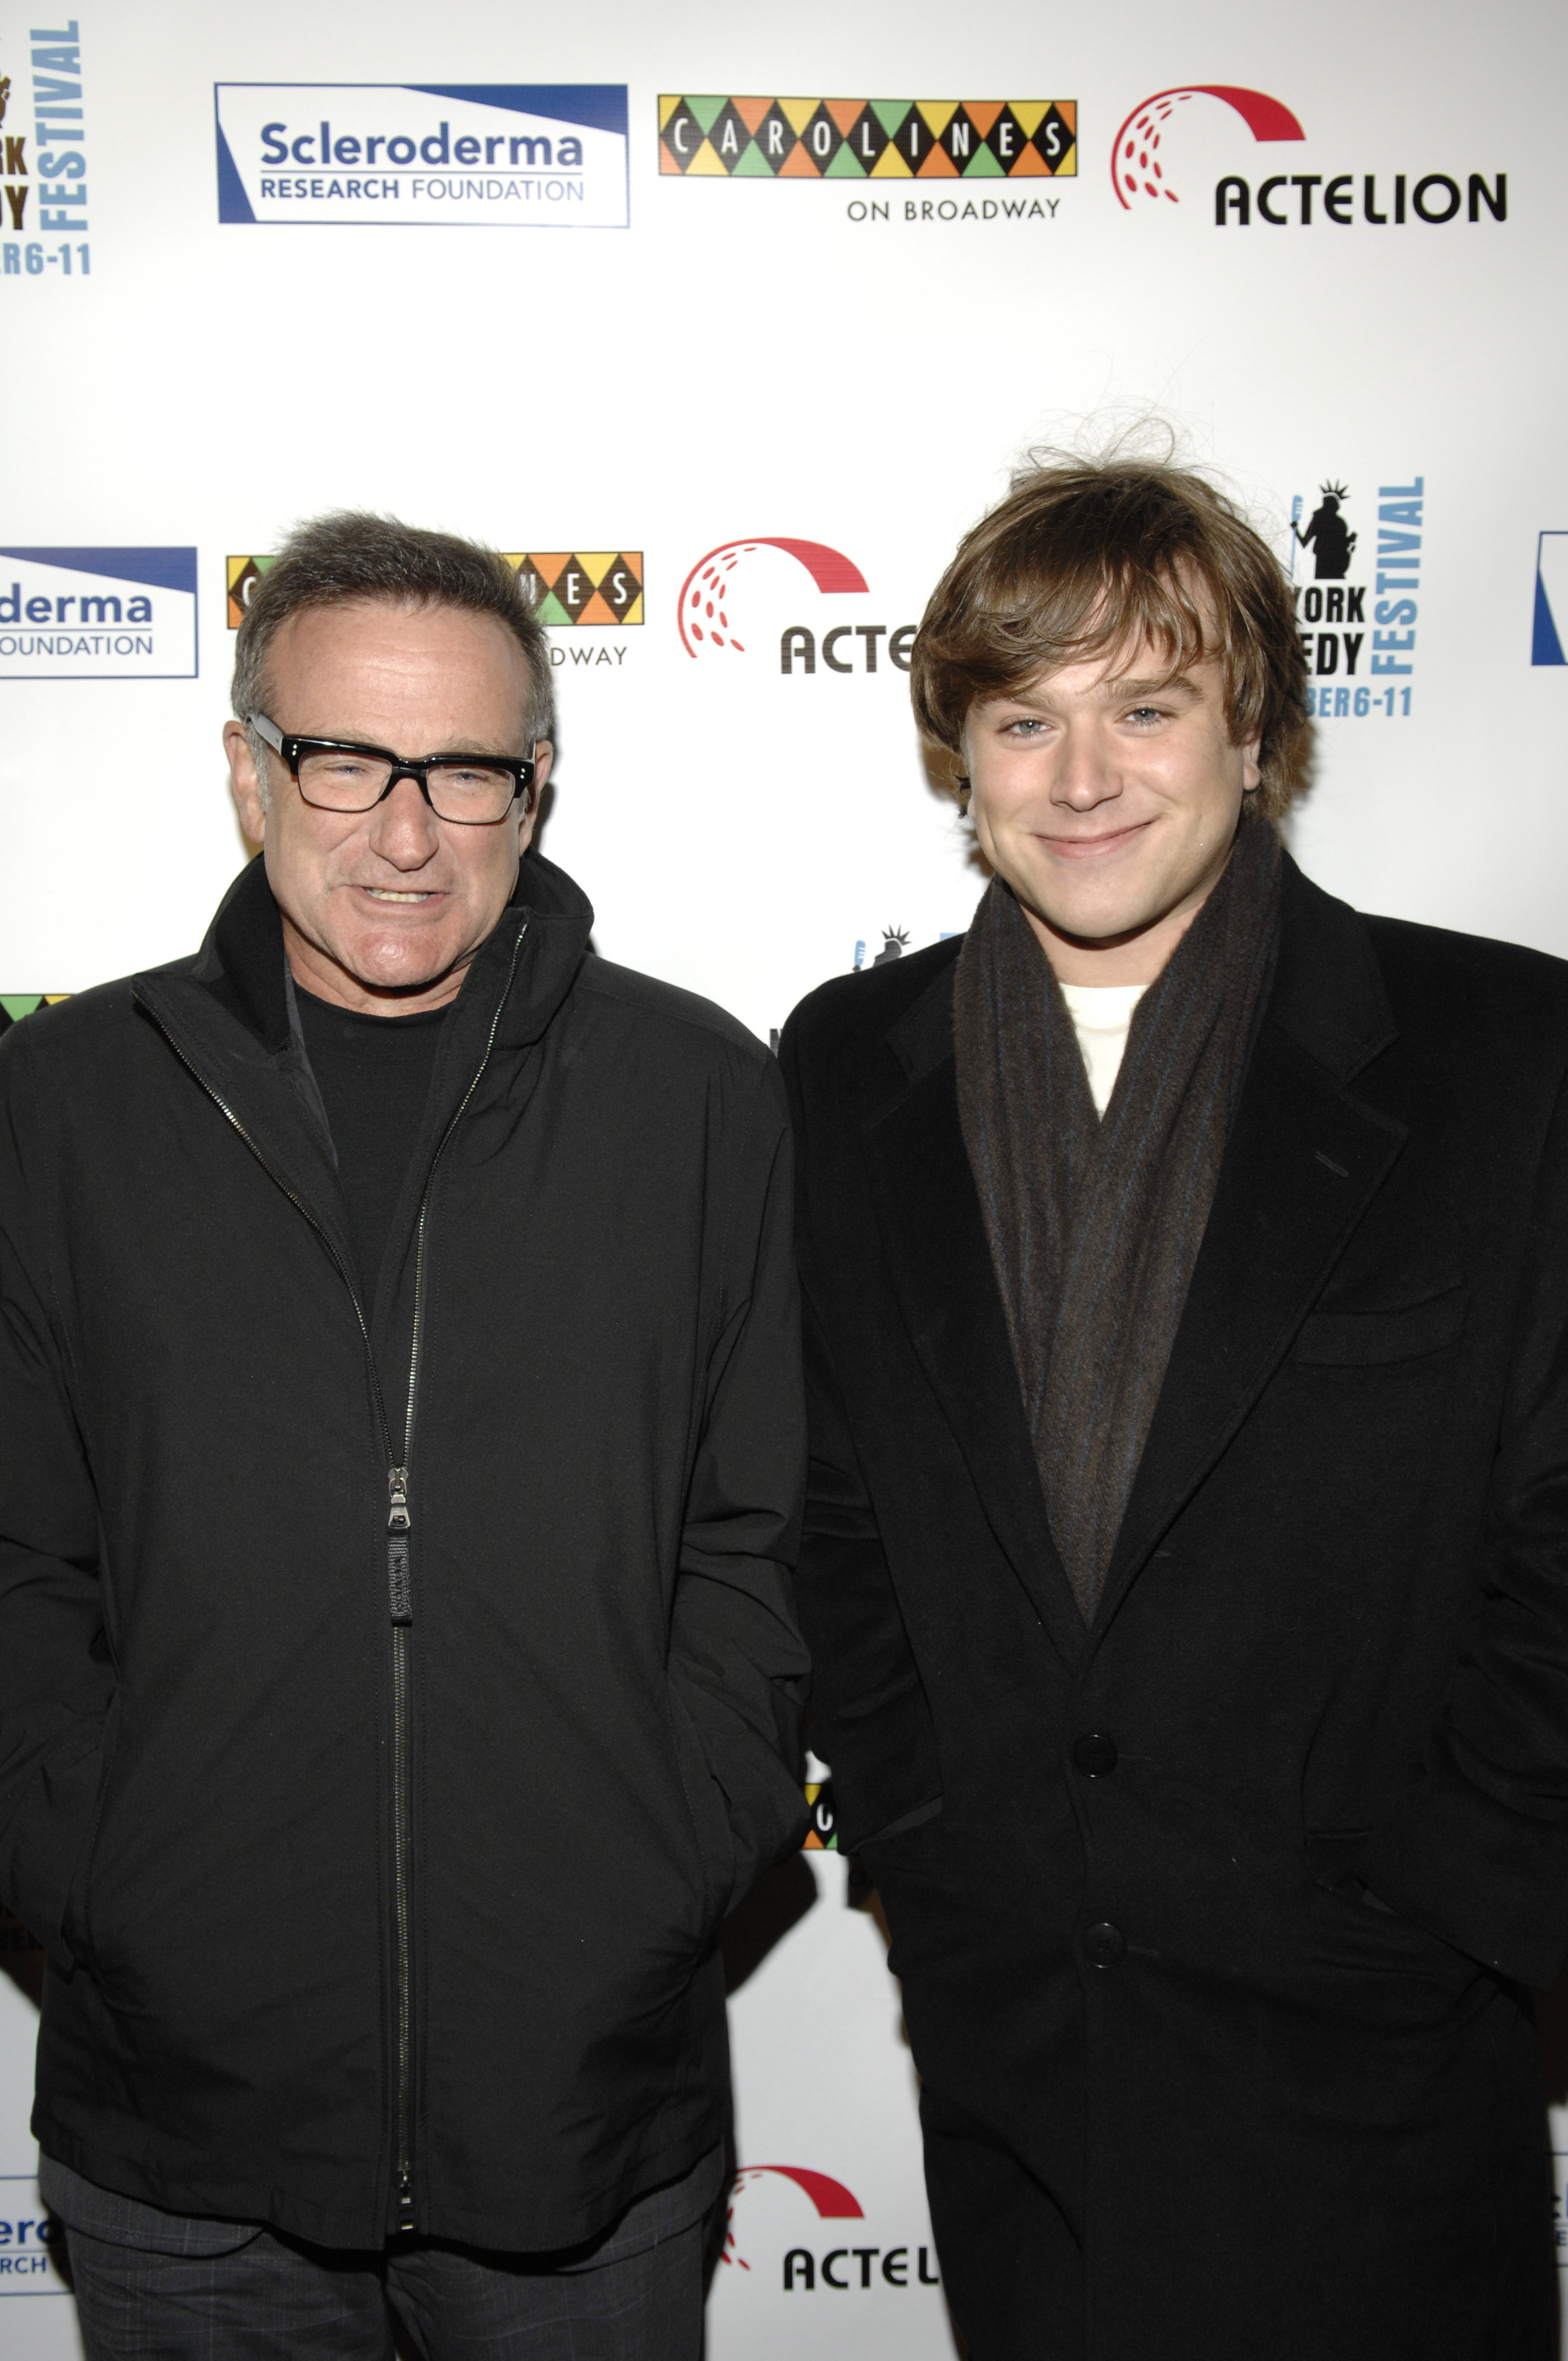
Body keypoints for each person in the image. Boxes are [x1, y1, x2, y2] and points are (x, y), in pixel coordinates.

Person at [779, 456, 1567, 2360]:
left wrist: (1434, 1907)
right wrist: (934, 1842)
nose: (1083, 777)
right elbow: (828, 1509)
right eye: (1022, 717)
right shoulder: (842, 1066)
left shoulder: (1506, 1057)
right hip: (1017, 2039)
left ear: (1262, 734)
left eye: (1149, 706)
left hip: (1378, 2050)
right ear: (956, 756)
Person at [0, 513, 809, 2357]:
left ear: (539, 787)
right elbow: (15, 1557)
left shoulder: (701, 1100)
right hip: (182, 2129)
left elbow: (760, 1542)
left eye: (464, 770)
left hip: (585, 2123)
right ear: (245, 770)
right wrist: (99, 1878)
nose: (404, 829)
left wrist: (663, 1873)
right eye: (344, 759)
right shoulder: (60, 1108)